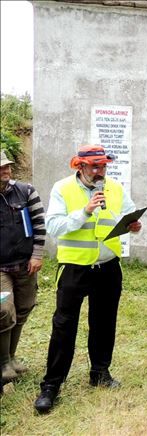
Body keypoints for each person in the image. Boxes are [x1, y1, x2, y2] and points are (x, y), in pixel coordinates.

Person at [34, 144, 142, 414]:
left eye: (103, 166)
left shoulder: (114, 188)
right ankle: (51, 385)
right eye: (95, 166)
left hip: (107, 266)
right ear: (79, 167)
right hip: (74, 267)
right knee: (64, 325)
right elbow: (54, 226)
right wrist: (85, 211)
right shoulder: (63, 188)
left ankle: (100, 372)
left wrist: (133, 225)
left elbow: (126, 215)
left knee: (104, 321)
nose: (100, 172)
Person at [1, 150, 46, 385]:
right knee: (4, 311)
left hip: (26, 264)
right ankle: (4, 363)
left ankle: (11, 356)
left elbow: (39, 224)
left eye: (7, 167)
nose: (6, 171)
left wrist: (37, 255)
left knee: (24, 308)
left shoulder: (26, 191)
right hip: (1, 269)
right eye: (1, 169)